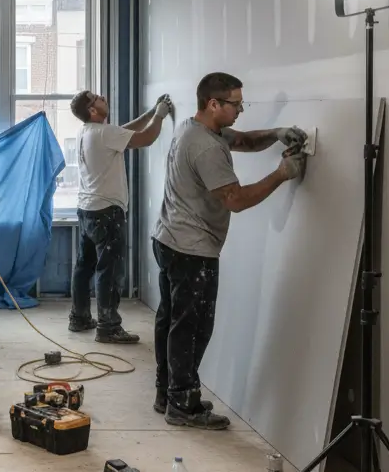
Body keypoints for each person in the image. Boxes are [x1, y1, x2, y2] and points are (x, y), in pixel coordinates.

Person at [152, 72, 307, 430]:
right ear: (213, 104)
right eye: (236, 104)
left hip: (169, 239)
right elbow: (235, 200)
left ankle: (169, 392)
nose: (241, 109)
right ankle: (183, 405)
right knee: (192, 328)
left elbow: (242, 140)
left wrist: (275, 133)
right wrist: (282, 173)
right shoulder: (206, 148)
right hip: (192, 250)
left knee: (172, 322)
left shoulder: (198, 129)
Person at [67, 91, 174, 344]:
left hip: (87, 209)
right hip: (107, 212)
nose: (103, 97)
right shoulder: (104, 134)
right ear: (93, 111)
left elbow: (124, 131)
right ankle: (108, 326)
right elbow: (145, 138)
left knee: (84, 267)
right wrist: (160, 116)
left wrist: (149, 114)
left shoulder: (88, 131)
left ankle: (79, 317)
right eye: (97, 98)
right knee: (109, 270)